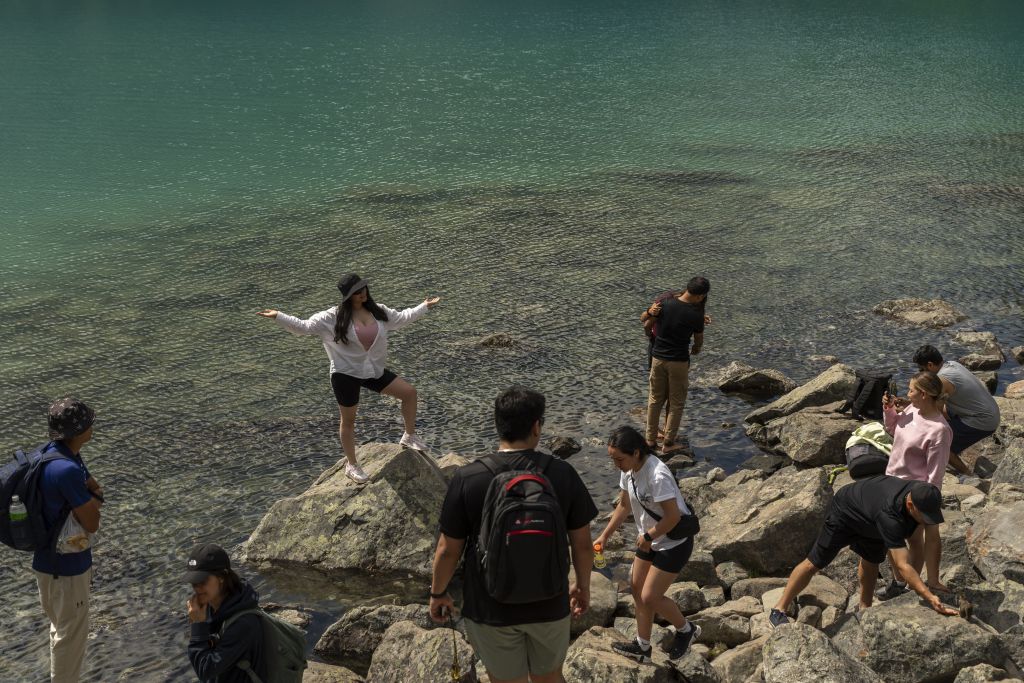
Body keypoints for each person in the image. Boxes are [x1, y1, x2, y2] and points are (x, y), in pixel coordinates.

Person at [429, 386, 599, 683]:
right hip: (550, 602)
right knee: (550, 677)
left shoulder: (469, 478)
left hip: (490, 607)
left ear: (497, 425)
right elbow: (583, 545)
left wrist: (438, 593)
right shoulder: (562, 474)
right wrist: (581, 586)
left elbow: (447, 550)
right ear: (537, 426)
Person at [258, 273, 441, 483]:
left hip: (372, 370)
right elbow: (303, 327)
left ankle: (409, 436)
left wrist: (425, 306)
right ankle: (351, 465)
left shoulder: (377, 311)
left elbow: (401, 318)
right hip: (345, 374)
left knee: (409, 393)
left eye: (363, 288)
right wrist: (278, 316)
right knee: (349, 421)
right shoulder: (331, 317)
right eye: (357, 291)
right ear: (348, 296)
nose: (362, 293)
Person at [768, 475, 959, 628]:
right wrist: (928, 596)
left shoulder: (926, 498)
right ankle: (779, 608)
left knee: (872, 560)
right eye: (924, 517)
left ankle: (865, 608)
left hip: (871, 513)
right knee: (815, 562)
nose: (927, 520)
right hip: (846, 511)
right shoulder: (890, 516)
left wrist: (932, 581)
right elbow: (902, 564)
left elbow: (930, 541)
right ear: (910, 505)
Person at [594, 426, 700, 663]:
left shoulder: (657, 475)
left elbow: (672, 517)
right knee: (636, 589)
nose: (616, 464)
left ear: (636, 453)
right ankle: (643, 647)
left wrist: (649, 536)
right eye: (613, 459)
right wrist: (604, 536)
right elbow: (623, 506)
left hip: (673, 542)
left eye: (619, 459)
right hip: (649, 539)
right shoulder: (629, 469)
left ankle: (686, 630)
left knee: (651, 596)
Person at [34, 397, 103, 683]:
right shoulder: (68, 470)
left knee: (60, 628)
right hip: (68, 568)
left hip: (45, 562)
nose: (93, 426)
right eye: (89, 422)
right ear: (78, 431)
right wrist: (95, 494)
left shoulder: (50, 454)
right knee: (70, 637)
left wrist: (93, 494)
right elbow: (92, 522)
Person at [876, 371, 952, 600]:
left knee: (914, 540)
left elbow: (935, 474)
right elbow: (892, 430)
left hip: (913, 492)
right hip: (891, 483)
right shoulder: (912, 410)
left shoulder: (939, 430)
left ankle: (910, 584)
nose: (907, 394)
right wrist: (889, 410)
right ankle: (899, 581)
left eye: (911, 390)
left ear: (925, 394)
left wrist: (925, 504)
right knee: (891, 537)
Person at [644, 277, 709, 454]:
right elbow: (698, 340)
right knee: (676, 402)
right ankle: (668, 442)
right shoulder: (696, 315)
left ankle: (650, 440)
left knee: (655, 399)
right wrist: (696, 350)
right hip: (678, 361)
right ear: (700, 296)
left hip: (657, 357)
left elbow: (647, 323)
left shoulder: (665, 302)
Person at [912, 345, 1000, 474]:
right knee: (942, 421)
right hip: (988, 411)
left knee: (940, 443)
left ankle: (967, 474)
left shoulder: (941, 380)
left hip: (982, 420)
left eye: (922, 369)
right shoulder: (952, 364)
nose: (921, 373)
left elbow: (933, 412)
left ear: (930, 365)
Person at [185, 543, 265, 683]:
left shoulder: (243, 623)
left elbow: (205, 671)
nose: (197, 588)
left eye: (202, 581)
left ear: (222, 577)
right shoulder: (211, 607)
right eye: (193, 582)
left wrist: (198, 625)